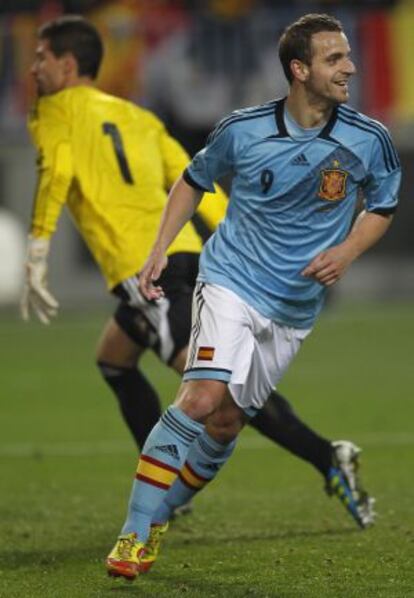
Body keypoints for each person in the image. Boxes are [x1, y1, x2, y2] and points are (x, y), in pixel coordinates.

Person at [21, 13, 372, 564]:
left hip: (147, 271)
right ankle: (168, 479)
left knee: (217, 396)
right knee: (114, 358)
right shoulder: (135, 115)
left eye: (40, 57)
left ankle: (327, 456)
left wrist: (37, 249)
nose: (33, 66)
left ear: (67, 66)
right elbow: (194, 184)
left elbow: (58, 170)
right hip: (183, 254)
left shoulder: (50, 114)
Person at [106, 13, 401, 580]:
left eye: (348, 57)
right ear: (299, 69)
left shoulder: (368, 139)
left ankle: (159, 517)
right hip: (231, 282)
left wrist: (348, 251)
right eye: (335, 59)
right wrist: (159, 250)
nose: (350, 67)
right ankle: (133, 534)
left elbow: (382, 207)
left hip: (292, 308)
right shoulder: (243, 129)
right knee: (201, 397)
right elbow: (192, 182)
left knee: (225, 424)